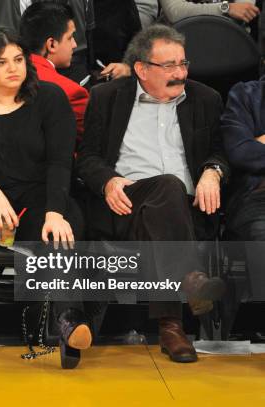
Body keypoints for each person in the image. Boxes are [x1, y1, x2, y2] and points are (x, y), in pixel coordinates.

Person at [77, 24, 228, 363]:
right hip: (125, 205)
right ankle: (179, 310)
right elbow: (87, 159)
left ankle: (174, 314)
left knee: (170, 193)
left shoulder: (206, 99)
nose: (180, 73)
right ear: (142, 69)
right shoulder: (107, 97)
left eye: (184, 63)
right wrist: (108, 182)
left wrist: (212, 172)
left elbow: (221, 151)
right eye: (170, 66)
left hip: (187, 212)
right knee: (167, 185)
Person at [0, 27, 89, 368]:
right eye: (1, 62)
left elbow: (60, 162)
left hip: (40, 196)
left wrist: (55, 211)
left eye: (19, 59)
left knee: (62, 223)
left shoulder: (51, 99)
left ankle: (68, 320)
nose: (13, 68)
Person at [220, 76, 265, 298]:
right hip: (258, 196)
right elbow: (240, 152)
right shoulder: (245, 95)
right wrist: (251, 145)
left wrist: (259, 141)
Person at [19, 1, 89, 138]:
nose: (74, 44)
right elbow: (92, 142)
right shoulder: (72, 93)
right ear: (51, 44)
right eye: (70, 37)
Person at [160, 0, 260, 25]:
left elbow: (244, 11)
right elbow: (174, 12)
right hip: (177, 40)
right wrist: (226, 9)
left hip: (228, 40)